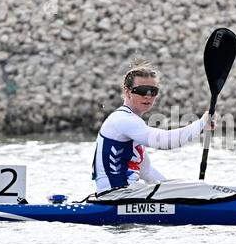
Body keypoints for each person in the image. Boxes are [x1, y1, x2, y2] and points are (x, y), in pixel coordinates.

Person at [92, 62, 215, 195]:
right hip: (116, 196)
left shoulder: (133, 123)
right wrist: (201, 124)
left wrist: (175, 191)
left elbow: (147, 173)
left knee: (190, 186)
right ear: (127, 91)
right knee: (193, 189)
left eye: (153, 91)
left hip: (128, 193)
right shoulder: (122, 119)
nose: (148, 96)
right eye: (142, 90)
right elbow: (165, 141)